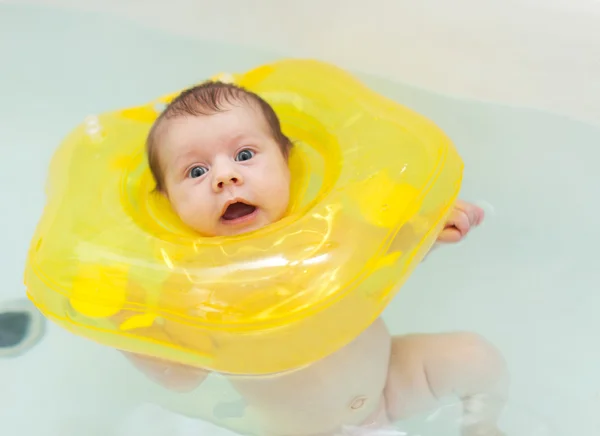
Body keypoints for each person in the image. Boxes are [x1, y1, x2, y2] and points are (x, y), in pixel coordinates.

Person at [122, 81, 507, 436]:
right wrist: (130, 329)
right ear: (167, 201)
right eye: (196, 171)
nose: (224, 176)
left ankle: (482, 429)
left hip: (389, 380)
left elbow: (385, 261)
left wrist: (430, 233)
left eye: (244, 154)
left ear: (287, 159)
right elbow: (182, 377)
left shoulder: (329, 222)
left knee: (476, 358)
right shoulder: (191, 284)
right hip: (308, 428)